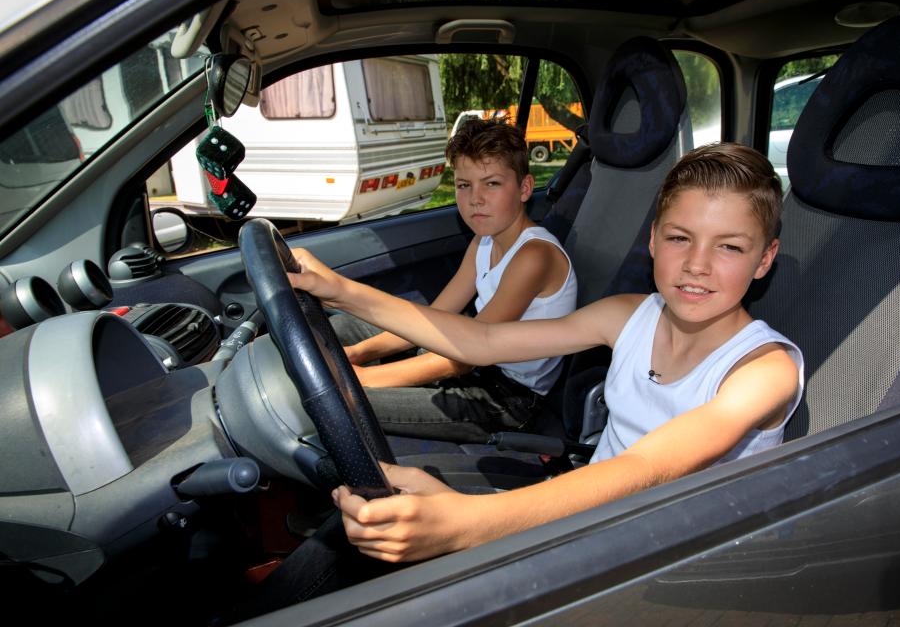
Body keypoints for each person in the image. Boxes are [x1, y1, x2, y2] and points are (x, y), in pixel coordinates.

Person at [236, 142, 804, 616]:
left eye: (729, 247)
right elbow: (480, 341)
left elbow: (649, 467)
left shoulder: (763, 369)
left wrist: (469, 524)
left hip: (664, 562)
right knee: (358, 528)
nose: (697, 264)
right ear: (653, 239)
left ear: (764, 259)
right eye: (680, 238)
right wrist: (339, 289)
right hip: (593, 515)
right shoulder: (628, 315)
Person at [331, 117, 577, 443]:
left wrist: (364, 379)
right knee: (341, 328)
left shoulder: (534, 256)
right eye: (464, 185)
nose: (475, 198)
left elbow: (462, 358)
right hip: (476, 358)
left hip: (507, 398)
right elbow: (436, 316)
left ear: (524, 188)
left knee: (342, 401)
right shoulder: (483, 241)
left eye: (491, 184)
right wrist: (360, 352)